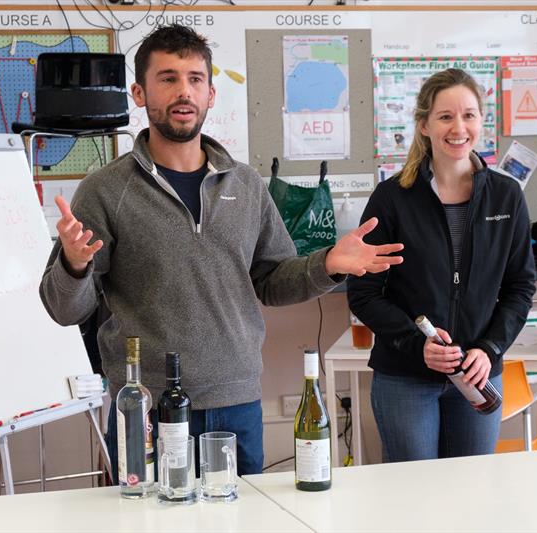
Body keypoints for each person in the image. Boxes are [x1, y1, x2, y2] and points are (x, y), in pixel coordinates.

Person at [39, 24, 403, 478]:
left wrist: (327, 263)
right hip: (146, 407)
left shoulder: (246, 184)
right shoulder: (105, 190)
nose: (183, 91)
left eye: (195, 79)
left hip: (237, 403)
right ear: (139, 92)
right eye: (168, 78)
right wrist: (73, 265)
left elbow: (271, 281)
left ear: (211, 93)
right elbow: (64, 309)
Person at [347, 68, 536, 462]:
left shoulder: (506, 197)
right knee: (413, 500)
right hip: (405, 376)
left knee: (470, 495)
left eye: (469, 115)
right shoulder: (392, 198)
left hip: (477, 375)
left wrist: (489, 348)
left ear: (481, 122)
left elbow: (520, 288)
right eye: (446, 117)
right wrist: (419, 346)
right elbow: (363, 294)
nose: (459, 127)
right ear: (424, 125)